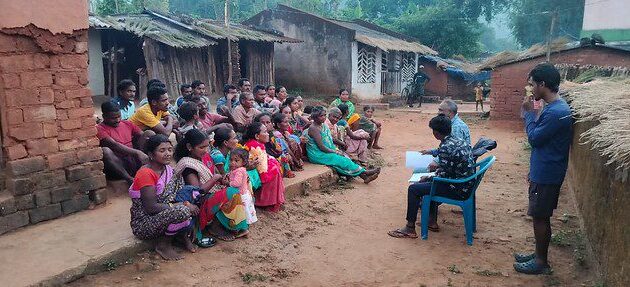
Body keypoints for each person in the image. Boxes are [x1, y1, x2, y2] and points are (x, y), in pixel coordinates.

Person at [513, 63, 572, 275]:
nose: (531, 89)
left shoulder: (557, 112)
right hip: (546, 169)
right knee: (541, 215)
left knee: (540, 216)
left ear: (543, 84)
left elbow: (535, 138)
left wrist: (528, 114)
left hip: (547, 173)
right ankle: (539, 254)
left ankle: (541, 262)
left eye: (532, 85)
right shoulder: (555, 108)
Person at [388, 115, 474, 239]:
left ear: (436, 133)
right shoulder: (457, 140)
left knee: (414, 189)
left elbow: (444, 174)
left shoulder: (446, 146)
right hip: (465, 184)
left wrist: (428, 178)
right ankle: (431, 221)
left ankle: (409, 228)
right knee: (429, 184)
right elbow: (447, 169)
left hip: (457, 188)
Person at [128, 134, 198, 260]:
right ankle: (163, 245)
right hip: (145, 222)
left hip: (163, 214)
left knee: (192, 193)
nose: (167, 154)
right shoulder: (145, 173)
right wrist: (182, 205)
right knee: (183, 210)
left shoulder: (168, 170)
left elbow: (177, 194)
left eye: (170, 150)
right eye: (162, 150)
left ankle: (182, 235)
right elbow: (151, 207)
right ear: (151, 154)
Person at [173, 129, 249, 241]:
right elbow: (197, 192)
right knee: (232, 192)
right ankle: (215, 227)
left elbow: (215, 174)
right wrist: (215, 179)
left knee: (241, 187)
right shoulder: (188, 166)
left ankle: (230, 225)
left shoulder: (203, 157)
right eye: (202, 147)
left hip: (210, 193)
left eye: (207, 146)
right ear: (190, 147)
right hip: (199, 203)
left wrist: (223, 179)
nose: (206, 150)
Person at [306, 107, 380, 183]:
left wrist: (336, 150)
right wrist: (334, 151)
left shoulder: (323, 125)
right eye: (321, 116)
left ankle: (364, 177)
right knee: (341, 160)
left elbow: (330, 138)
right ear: (315, 117)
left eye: (325, 115)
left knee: (345, 157)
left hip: (326, 151)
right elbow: (321, 147)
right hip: (317, 154)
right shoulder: (314, 128)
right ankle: (365, 172)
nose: (324, 117)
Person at [97, 102, 151, 184]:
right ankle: (129, 179)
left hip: (133, 161)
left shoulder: (127, 123)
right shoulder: (100, 129)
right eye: (113, 118)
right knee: (105, 151)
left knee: (149, 134)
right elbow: (114, 145)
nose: (117, 120)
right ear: (104, 117)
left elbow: (142, 135)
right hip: (118, 167)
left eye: (119, 116)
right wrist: (137, 152)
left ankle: (151, 168)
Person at [242, 122, 286, 212]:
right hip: (252, 172)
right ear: (257, 136)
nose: (267, 134)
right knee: (275, 170)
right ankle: (267, 202)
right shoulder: (255, 146)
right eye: (265, 132)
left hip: (253, 169)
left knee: (275, 165)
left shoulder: (256, 143)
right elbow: (262, 171)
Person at [257, 113, 295, 178]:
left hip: (273, 154)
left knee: (283, 155)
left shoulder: (271, 134)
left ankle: (286, 172)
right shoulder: (258, 136)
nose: (265, 125)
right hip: (264, 157)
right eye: (262, 123)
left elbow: (277, 148)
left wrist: (284, 153)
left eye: (268, 122)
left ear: (272, 124)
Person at [227, 148, 257, 224]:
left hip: (241, 195)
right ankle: (244, 226)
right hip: (244, 193)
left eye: (236, 161)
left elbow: (237, 183)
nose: (233, 163)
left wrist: (228, 183)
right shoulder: (239, 169)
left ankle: (243, 228)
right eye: (231, 160)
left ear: (243, 162)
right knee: (246, 212)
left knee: (243, 213)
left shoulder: (239, 171)